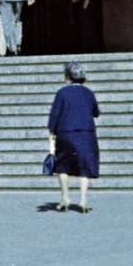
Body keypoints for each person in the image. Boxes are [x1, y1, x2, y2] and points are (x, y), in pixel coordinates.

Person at [48, 62, 100, 213]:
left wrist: (51, 135)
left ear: (69, 77)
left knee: (63, 165)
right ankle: (83, 201)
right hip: (86, 133)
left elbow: (54, 116)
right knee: (85, 165)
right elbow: (96, 112)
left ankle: (65, 198)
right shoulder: (89, 93)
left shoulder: (62, 92)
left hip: (65, 133)